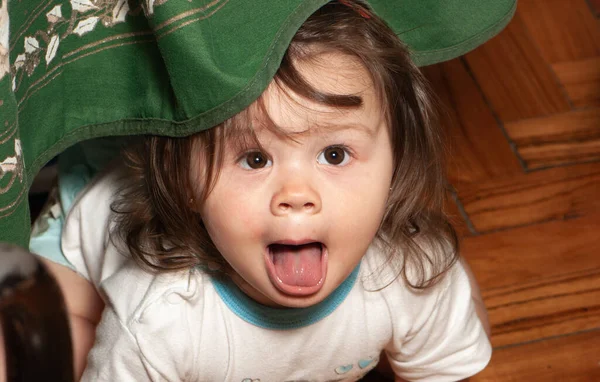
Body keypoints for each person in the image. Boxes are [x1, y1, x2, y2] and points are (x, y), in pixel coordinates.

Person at [30, 1, 492, 380]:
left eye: (334, 154)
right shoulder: (160, 318)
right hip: (83, 217)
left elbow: (448, 369)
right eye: (255, 159)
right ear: (185, 184)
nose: (296, 194)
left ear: (397, 159)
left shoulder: (414, 276)